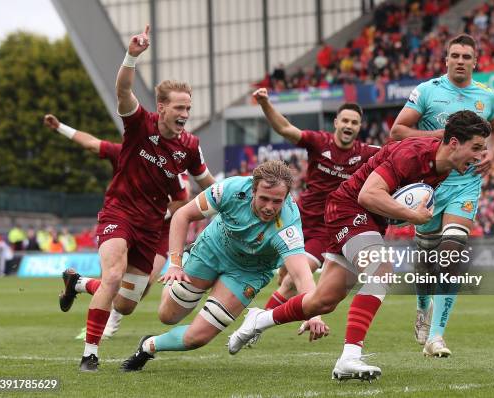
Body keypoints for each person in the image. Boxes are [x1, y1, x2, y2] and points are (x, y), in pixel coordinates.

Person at [228, 110, 492, 381]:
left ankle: (259, 319)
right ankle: (349, 358)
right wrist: (412, 215)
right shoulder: (414, 155)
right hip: (348, 208)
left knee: (323, 301)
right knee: (381, 270)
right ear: (454, 143)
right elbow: (369, 194)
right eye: (476, 148)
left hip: (368, 219)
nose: (480, 156)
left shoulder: (445, 168)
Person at [57, 24, 216, 372]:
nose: (185, 115)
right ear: (161, 106)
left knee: (127, 304)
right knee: (113, 276)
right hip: (119, 212)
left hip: (151, 226)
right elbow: (123, 89)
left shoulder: (189, 146)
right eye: (179, 108)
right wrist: (132, 54)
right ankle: (90, 354)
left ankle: (78, 283)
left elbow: (206, 183)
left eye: (188, 108)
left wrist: (231, 200)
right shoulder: (139, 125)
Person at [120, 160, 327, 371]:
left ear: (286, 198)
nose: (269, 207)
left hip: (248, 272)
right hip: (212, 250)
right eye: (264, 198)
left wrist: (314, 314)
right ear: (252, 190)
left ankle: (148, 346)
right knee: (168, 315)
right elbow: (183, 215)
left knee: (197, 338)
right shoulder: (231, 189)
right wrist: (174, 264)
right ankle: (189, 266)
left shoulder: (288, 224)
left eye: (277, 201)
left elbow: (302, 275)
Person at [390, 34, 494, 357]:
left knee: (451, 256)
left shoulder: (487, 97)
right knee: (427, 262)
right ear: (446, 60)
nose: (459, 61)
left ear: (475, 61)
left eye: (466, 56)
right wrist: (442, 137)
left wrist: (492, 153)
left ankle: (436, 338)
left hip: (466, 185)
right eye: (454, 55)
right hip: (431, 185)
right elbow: (398, 131)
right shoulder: (428, 91)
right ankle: (422, 307)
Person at [44, 113, 191, 337]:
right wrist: (60, 127)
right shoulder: (127, 151)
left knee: (144, 283)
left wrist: (155, 216)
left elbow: (185, 197)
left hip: (159, 229)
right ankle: (105, 323)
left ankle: (80, 285)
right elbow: (92, 144)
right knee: (114, 273)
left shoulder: (180, 154)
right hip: (125, 219)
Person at [252, 88, 379, 314]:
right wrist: (264, 103)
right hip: (297, 219)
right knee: (284, 276)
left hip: (325, 228)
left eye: (355, 122)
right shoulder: (320, 142)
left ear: (360, 127)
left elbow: (397, 149)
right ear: (336, 122)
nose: (349, 126)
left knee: (293, 280)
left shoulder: (368, 153)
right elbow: (285, 129)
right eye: (346, 121)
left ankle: (257, 323)